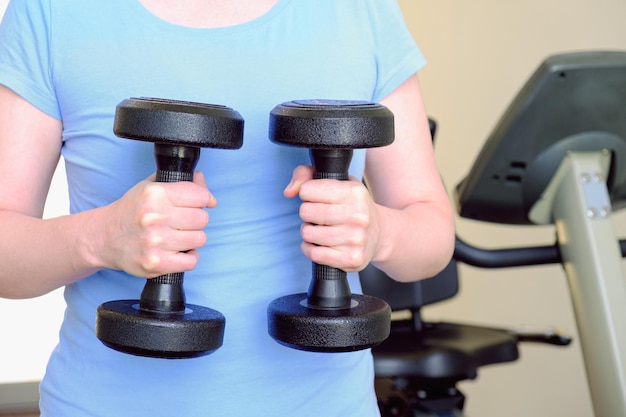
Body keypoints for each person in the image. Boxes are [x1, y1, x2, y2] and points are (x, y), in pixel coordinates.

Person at [0, 0, 454, 416]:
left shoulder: (361, 10)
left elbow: (431, 235)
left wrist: (379, 232)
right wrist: (99, 238)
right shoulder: (52, 11)